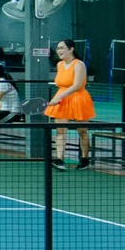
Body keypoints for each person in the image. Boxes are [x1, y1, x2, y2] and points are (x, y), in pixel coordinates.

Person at [44, 38, 95, 167]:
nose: (59, 51)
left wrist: (59, 97)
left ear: (71, 49)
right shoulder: (59, 65)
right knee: (60, 131)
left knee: (82, 131)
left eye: (62, 48)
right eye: (58, 48)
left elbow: (77, 85)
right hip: (62, 100)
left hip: (79, 99)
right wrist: (59, 97)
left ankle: (85, 159)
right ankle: (59, 160)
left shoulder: (79, 64)